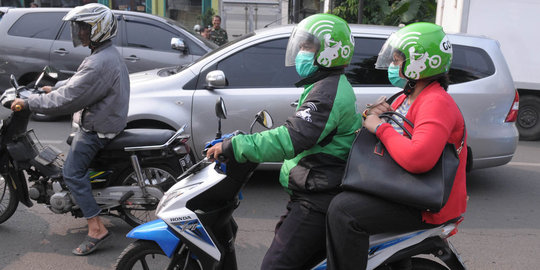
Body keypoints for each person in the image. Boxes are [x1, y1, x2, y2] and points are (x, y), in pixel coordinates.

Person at [206, 13, 361, 269]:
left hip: (317, 197)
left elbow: (291, 138)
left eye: (307, 47)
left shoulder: (328, 92)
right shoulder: (326, 85)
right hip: (313, 189)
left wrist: (237, 146)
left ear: (329, 52)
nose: (301, 52)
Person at [325, 22, 467, 269]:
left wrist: (380, 127)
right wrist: (377, 115)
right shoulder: (408, 94)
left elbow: (418, 158)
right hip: (405, 188)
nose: (393, 64)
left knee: (344, 211)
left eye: (399, 59)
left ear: (421, 62)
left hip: (426, 203)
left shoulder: (436, 102)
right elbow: (392, 129)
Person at [10, 3, 129, 256]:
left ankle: (97, 228)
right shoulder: (104, 54)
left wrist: (29, 103)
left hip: (98, 128)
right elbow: (79, 83)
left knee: (73, 173)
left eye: (83, 28)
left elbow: (69, 99)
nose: (79, 33)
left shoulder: (99, 61)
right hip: (105, 120)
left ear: (98, 29)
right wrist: (53, 88)